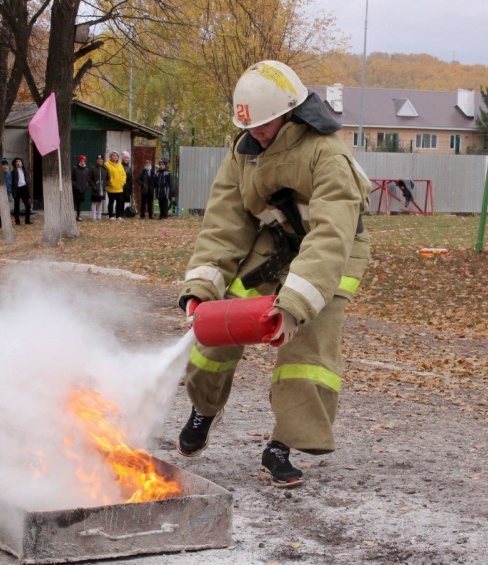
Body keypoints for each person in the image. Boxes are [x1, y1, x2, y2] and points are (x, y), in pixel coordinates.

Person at [176, 60, 371, 488]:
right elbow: (224, 224)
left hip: (332, 255)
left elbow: (330, 236)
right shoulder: (243, 153)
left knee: (307, 347)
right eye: (251, 128)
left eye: (265, 125)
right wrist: (201, 288)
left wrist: (294, 307)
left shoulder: (328, 155)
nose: (257, 135)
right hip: (275, 242)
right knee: (219, 322)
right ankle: (203, 409)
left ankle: (282, 445)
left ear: (292, 113)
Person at [104, 150, 126, 220]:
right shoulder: (107, 164)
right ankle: (111, 215)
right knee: (111, 201)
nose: (115, 157)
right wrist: (111, 182)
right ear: (110, 157)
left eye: (116, 156)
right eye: (113, 155)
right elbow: (106, 175)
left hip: (119, 187)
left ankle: (118, 215)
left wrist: (123, 181)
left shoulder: (120, 165)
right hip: (111, 187)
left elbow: (124, 174)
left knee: (119, 202)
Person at [11, 157, 32, 225]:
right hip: (17, 189)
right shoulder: (13, 172)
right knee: (16, 206)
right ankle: (17, 221)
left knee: (28, 205)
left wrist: (29, 192)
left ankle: (27, 220)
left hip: (24, 188)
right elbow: (12, 182)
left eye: (19, 161)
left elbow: (28, 181)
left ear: (22, 163)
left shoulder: (25, 171)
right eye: (17, 161)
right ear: (15, 163)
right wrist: (13, 191)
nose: (18, 163)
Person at [88, 154, 108, 220]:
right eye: (98, 159)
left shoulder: (105, 168)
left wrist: (106, 184)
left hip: (102, 188)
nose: (100, 160)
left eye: (101, 159)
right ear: (97, 160)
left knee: (100, 202)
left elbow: (108, 178)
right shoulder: (93, 168)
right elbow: (89, 178)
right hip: (95, 188)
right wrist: (93, 185)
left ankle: (99, 216)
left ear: (103, 160)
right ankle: (93, 217)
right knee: (94, 202)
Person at [71, 154, 90, 222]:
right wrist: (75, 185)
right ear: (79, 161)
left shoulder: (86, 170)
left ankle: (78, 215)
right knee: (73, 202)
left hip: (82, 189)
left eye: (84, 161)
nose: (82, 162)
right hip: (75, 189)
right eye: (81, 160)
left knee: (79, 203)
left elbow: (87, 179)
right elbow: (72, 178)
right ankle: (71, 215)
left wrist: (86, 185)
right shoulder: (75, 168)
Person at [121, 151, 134, 217]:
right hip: (121, 186)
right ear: (123, 159)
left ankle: (123, 213)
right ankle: (119, 213)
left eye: (127, 158)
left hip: (127, 186)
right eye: (125, 158)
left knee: (124, 200)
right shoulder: (120, 166)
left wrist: (131, 189)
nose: (126, 159)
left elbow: (131, 179)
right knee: (120, 200)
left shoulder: (129, 168)